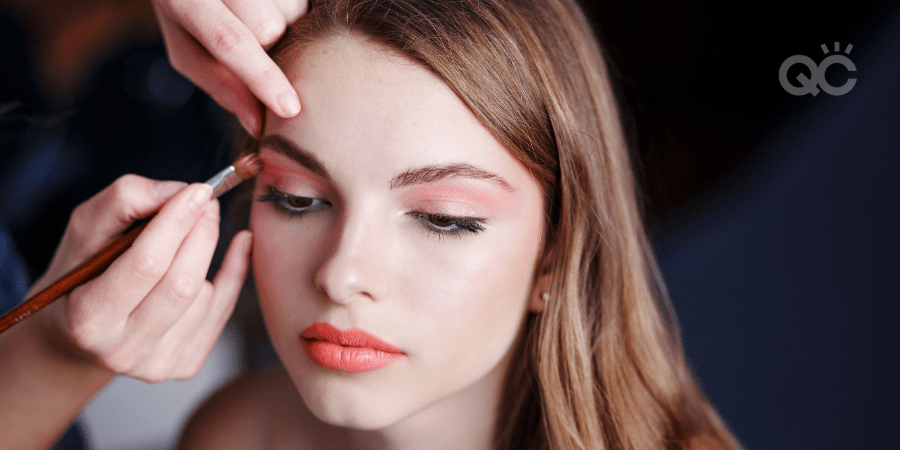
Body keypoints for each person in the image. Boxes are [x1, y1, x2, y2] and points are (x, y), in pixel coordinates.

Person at [0, 0, 743, 449]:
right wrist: (51, 356)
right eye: (296, 196)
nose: (342, 273)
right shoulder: (240, 434)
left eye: (445, 220)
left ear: (555, 259)